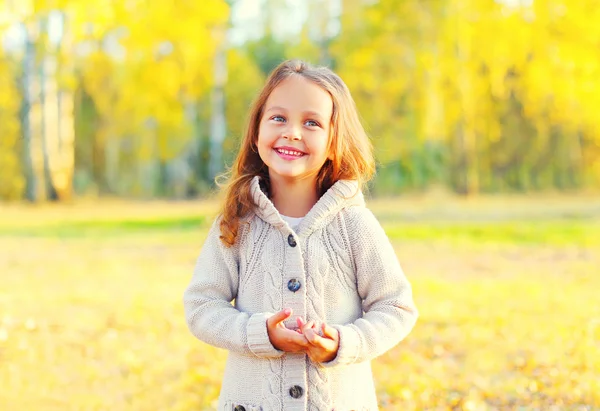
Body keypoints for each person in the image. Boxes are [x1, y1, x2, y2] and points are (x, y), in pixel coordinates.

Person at [183, 59, 418, 411]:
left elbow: (396, 307)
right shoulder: (237, 221)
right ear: (257, 131)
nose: (292, 132)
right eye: (278, 118)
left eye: (312, 122)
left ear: (334, 142)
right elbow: (202, 307)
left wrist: (343, 342)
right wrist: (261, 333)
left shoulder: (355, 224)